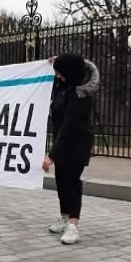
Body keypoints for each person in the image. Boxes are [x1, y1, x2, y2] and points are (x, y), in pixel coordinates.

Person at [42, 53, 96, 245]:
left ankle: (73, 225)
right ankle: (64, 217)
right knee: (61, 181)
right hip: (62, 140)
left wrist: (51, 156)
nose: (58, 76)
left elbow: (69, 126)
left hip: (77, 143)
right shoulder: (63, 86)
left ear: (70, 73)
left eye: (60, 73)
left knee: (72, 182)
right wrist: (51, 64)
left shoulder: (81, 95)